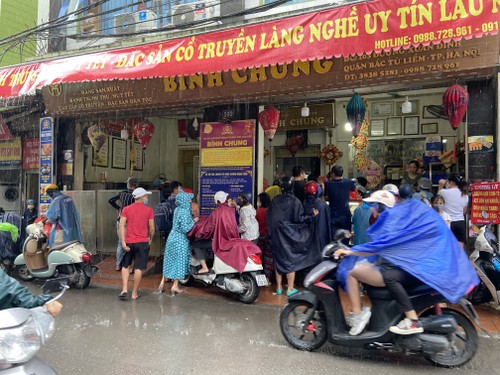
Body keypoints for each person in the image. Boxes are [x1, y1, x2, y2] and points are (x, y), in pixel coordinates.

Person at [335, 190, 479, 335]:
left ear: (381, 207)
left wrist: (350, 251)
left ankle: (406, 319)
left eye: (374, 205)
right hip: (412, 267)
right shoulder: (396, 219)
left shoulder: (391, 222)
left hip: (410, 270)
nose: (371, 208)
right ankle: (371, 313)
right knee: (364, 268)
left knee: (352, 273)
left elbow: (377, 246)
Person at [266, 177, 318, 297]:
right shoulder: (295, 201)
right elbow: (299, 219)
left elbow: (270, 218)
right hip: (290, 237)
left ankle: (278, 287)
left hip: (276, 236)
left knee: (278, 260)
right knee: (290, 261)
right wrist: (311, 217)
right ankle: (290, 288)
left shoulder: (275, 200)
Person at [189, 191, 261, 274]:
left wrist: (198, 230)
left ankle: (205, 268)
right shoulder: (230, 210)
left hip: (219, 241)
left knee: (197, 245)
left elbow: (208, 228)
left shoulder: (216, 212)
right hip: (231, 238)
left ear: (218, 201)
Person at [118, 187, 155, 301]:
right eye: (146, 196)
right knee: (138, 267)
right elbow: (152, 228)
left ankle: (124, 289)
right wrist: (150, 238)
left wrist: (123, 241)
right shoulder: (149, 210)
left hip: (129, 242)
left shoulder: (126, 209)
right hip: (142, 242)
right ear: (142, 197)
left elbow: (121, 225)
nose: (147, 198)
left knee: (125, 265)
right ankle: (134, 293)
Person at [162, 190, 197, 295]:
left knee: (169, 260)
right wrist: (194, 221)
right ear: (184, 200)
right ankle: (175, 286)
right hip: (180, 240)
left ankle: (162, 284)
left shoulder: (177, 209)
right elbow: (186, 228)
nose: (190, 201)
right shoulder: (185, 211)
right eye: (189, 199)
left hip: (172, 237)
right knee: (179, 262)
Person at [108, 177, 138, 271]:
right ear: (136, 185)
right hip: (132, 222)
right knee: (132, 244)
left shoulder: (122, 193)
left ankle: (118, 265)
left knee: (121, 243)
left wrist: (119, 208)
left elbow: (111, 200)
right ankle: (130, 267)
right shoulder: (136, 195)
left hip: (121, 221)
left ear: (128, 184)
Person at [324, 165, 356, 243]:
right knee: (346, 236)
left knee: (334, 238)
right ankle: (344, 252)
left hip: (333, 214)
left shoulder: (328, 183)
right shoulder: (348, 182)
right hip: (345, 214)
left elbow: (325, 195)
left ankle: (336, 253)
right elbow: (353, 188)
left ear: (333, 173)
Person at [438, 174, 468, 248]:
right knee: (460, 249)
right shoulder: (465, 195)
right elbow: (464, 211)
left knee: (447, 247)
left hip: (448, 222)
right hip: (460, 223)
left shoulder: (444, 192)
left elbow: (438, 201)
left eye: (447, 182)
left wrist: (441, 185)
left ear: (451, 182)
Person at [303, 181, 331, 252]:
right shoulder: (322, 204)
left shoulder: (303, 204)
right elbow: (328, 222)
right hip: (321, 242)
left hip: (307, 242)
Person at [256, 192, 273, 283]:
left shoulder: (258, 211)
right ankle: (267, 279)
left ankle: (258, 278)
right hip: (270, 237)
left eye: (258, 200)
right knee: (268, 258)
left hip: (260, 236)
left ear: (261, 201)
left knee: (258, 257)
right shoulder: (271, 211)